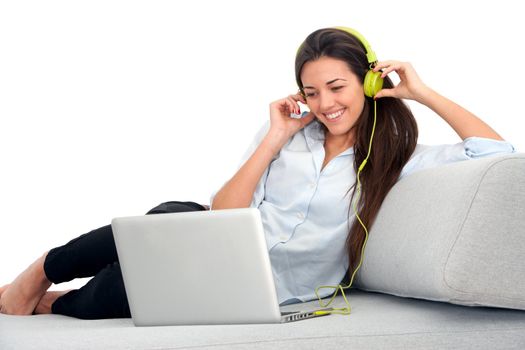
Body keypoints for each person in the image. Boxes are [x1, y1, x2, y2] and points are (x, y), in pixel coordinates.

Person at [0, 27, 515, 319]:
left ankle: (59, 301)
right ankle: (44, 267)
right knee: (171, 216)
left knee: (108, 300)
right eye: (312, 93)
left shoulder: (398, 157)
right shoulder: (289, 139)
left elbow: (494, 150)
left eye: (337, 87)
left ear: (370, 81)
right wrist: (274, 138)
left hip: (277, 290)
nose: (325, 104)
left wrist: (420, 91)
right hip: (213, 254)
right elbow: (224, 213)